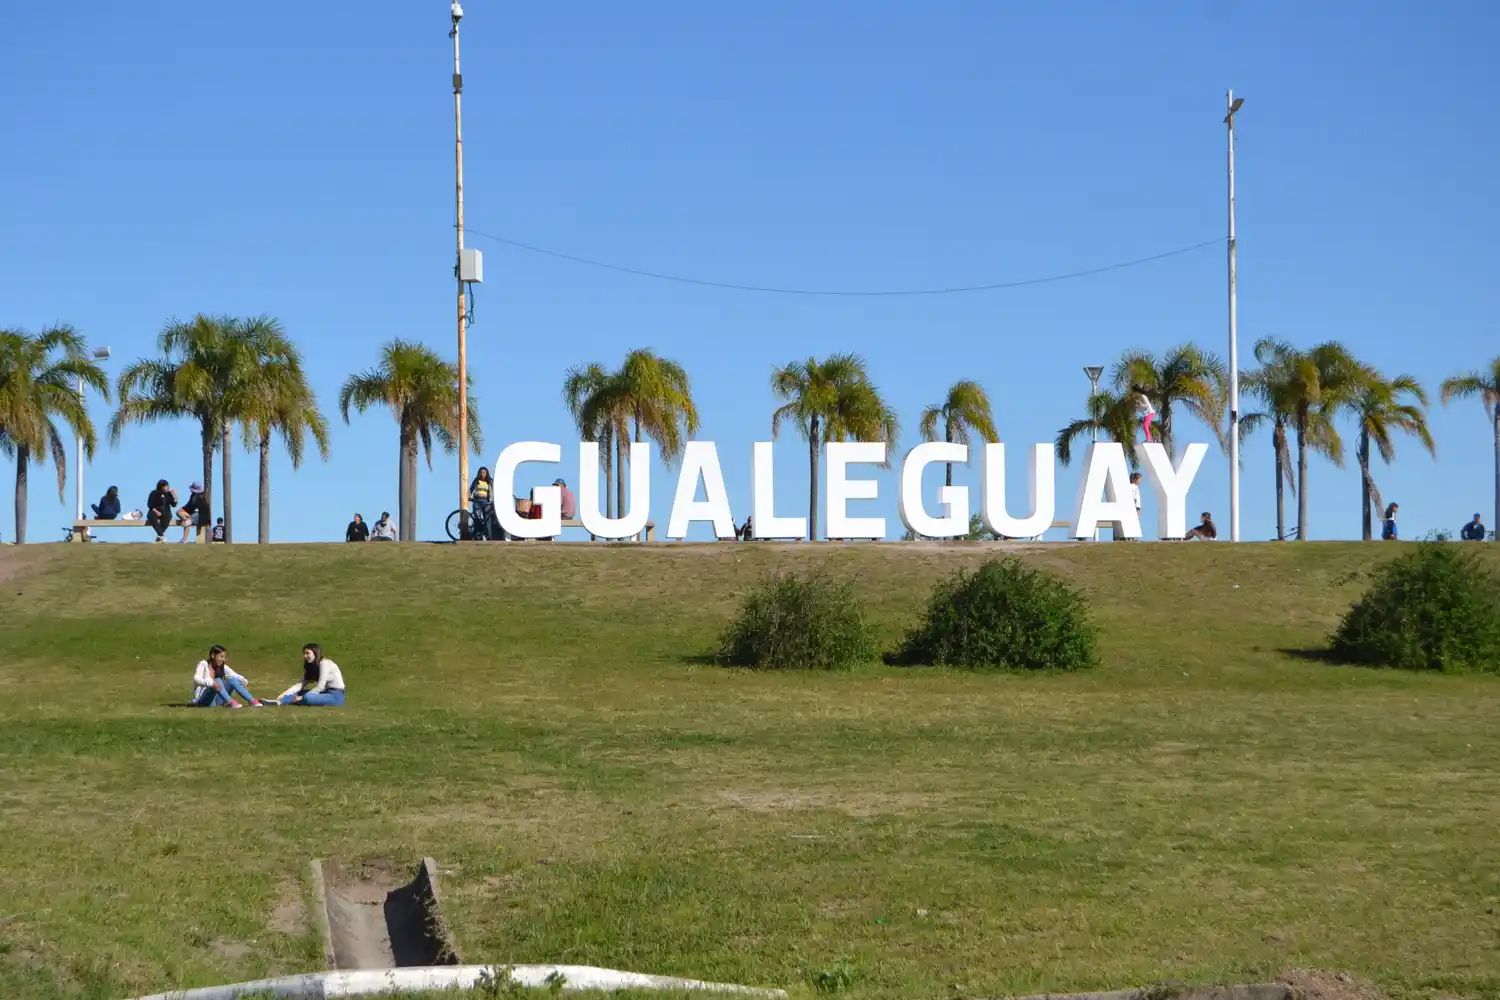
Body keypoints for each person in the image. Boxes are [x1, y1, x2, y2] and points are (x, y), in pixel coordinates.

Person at [190, 645, 265, 707]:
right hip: (203, 701)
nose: (224, 659)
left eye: (224, 657)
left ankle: (251, 701)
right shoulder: (203, 664)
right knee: (217, 680)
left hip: (217, 702)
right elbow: (197, 678)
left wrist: (243, 681)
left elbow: (235, 675)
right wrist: (211, 684)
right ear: (213, 655)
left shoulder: (223, 667)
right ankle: (230, 702)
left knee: (231, 679)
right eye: (221, 656)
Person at [276, 644, 346, 706]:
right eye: (304, 653)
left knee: (307, 697)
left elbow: (320, 686)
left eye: (307, 653)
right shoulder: (314, 666)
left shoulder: (324, 663)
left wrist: (302, 697)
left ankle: (286, 701)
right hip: (326, 693)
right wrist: (283, 694)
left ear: (316, 653)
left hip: (336, 696)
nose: (305, 656)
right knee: (300, 692)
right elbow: (301, 684)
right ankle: (281, 701)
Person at [469, 467, 496, 539]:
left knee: (487, 519)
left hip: (486, 502)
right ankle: (478, 535)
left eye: (484, 472)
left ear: (486, 473)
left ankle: (488, 536)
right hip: (477, 501)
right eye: (481, 472)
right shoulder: (476, 480)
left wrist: (491, 501)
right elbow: (471, 489)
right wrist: (468, 497)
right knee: (477, 518)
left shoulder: (489, 481)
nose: (482, 474)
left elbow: (493, 491)